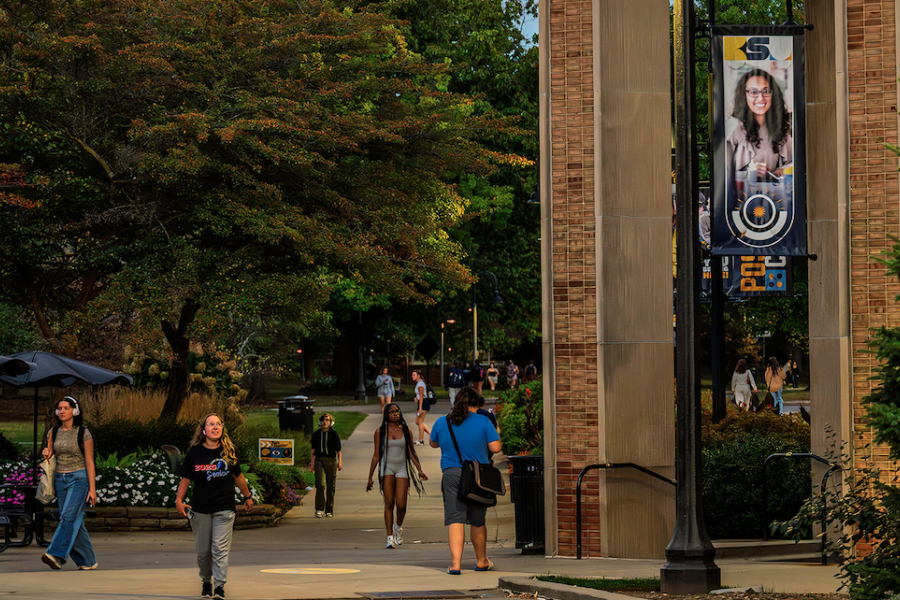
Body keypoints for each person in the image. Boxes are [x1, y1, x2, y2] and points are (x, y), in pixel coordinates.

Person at [176, 413, 254, 600]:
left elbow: (238, 476)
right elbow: (186, 479)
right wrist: (179, 500)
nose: (215, 427)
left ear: (222, 428)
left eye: (218, 424)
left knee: (219, 549)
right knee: (203, 552)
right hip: (200, 509)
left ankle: (219, 586)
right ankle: (206, 582)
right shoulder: (194, 452)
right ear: (204, 430)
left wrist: (247, 496)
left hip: (224, 508)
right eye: (211, 424)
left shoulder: (229, 451)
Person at [429, 387, 501, 574]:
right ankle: (481, 561)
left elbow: (433, 442)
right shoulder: (483, 421)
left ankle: (455, 565)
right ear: (475, 405)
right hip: (477, 476)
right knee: (477, 520)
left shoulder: (442, 422)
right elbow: (496, 448)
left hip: (451, 474)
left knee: (455, 519)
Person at [41, 396, 98, 571]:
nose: (62, 411)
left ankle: (55, 554)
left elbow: (90, 462)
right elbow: (51, 455)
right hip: (60, 479)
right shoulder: (53, 432)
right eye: (59, 408)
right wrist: (47, 453)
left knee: (67, 516)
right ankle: (88, 561)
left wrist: (92, 490)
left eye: (66, 408)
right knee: (73, 520)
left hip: (79, 479)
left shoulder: (83, 433)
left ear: (75, 411)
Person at [366, 404, 428, 549]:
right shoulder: (380, 432)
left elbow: (411, 452)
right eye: (391, 412)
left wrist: (419, 470)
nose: (395, 414)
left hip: (401, 469)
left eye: (397, 411)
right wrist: (370, 477)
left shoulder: (406, 431)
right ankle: (389, 537)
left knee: (401, 504)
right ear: (386, 415)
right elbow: (376, 455)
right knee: (389, 502)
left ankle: (398, 526)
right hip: (386, 468)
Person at [727, 69, 793, 192]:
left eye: (766, 91)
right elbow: (722, 173)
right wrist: (749, 173)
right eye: (753, 92)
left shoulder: (782, 128)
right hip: (741, 197)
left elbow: (795, 161)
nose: (761, 97)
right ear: (744, 95)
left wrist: (781, 171)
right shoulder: (734, 128)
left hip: (774, 196)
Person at [309, 413, 342, 517]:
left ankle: (329, 510)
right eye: (323, 420)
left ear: (331, 422)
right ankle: (319, 508)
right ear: (320, 422)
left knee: (330, 485)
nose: (325, 422)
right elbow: (313, 449)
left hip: (330, 460)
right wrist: (312, 462)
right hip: (319, 459)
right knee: (319, 484)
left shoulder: (334, 434)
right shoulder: (317, 434)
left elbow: (338, 449)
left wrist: (340, 462)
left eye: (327, 420)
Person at [412, 369, 431, 445]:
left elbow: (421, 396)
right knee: (417, 421)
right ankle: (431, 434)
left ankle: (421, 440)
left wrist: (420, 408)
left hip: (423, 404)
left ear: (418, 375)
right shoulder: (418, 383)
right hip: (421, 403)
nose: (412, 376)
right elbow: (419, 396)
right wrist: (416, 398)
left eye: (414, 375)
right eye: (412, 375)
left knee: (420, 422)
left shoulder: (420, 384)